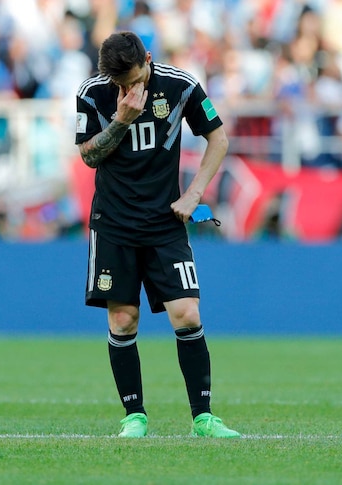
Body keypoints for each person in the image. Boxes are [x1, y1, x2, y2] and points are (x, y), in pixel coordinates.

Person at [75, 31, 238, 439]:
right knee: (124, 319)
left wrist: (194, 194)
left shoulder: (180, 85)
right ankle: (134, 416)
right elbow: (88, 155)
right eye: (121, 84)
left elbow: (218, 137)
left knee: (187, 313)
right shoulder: (93, 93)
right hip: (113, 223)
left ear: (148, 58)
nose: (129, 89)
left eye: (134, 79)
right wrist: (121, 120)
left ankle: (203, 417)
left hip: (165, 222)